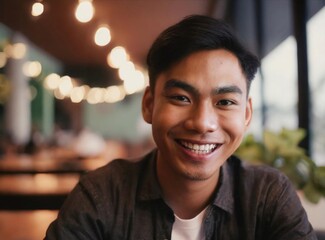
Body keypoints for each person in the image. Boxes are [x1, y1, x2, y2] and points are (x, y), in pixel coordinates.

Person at [45, 15, 316, 240]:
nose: (202, 122)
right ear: (149, 104)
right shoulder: (102, 196)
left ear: (246, 115)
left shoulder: (267, 197)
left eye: (224, 102)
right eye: (181, 98)